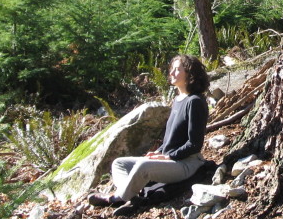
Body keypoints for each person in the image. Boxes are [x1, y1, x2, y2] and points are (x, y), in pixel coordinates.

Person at [87, 54, 210, 211]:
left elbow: (194, 144)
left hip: (187, 163)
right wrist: (158, 152)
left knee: (144, 166)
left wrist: (167, 156)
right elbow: (170, 140)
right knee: (119, 164)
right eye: (172, 69)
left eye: (177, 69)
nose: (172, 73)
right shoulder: (178, 100)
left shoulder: (195, 102)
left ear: (190, 73)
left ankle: (117, 198)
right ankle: (132, 196)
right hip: (171, 160)